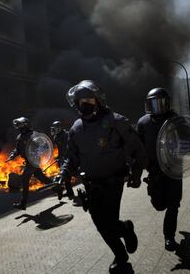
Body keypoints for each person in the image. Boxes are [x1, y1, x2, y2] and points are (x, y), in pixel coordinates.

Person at [55, 80, 148, 273]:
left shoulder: (116, 121)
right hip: (91, 185)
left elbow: (137, 149)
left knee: (109, 224)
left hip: (113, 182)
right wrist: (62, 174)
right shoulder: (76, 128)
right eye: (80, 101)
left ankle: (124, 235)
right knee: (101, 226)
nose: (85, 104)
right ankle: (122, 249)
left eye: (89, 99)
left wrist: (137, 174)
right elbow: (70, 157)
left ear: (98, 100)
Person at [137, 88, 182, 252]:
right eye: (153, 104)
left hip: (173, 167)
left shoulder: (175, 119)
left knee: (173, 204)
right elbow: (138, 147)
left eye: (161, 103)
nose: (157, 107)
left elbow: (185, 140)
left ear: (167, 103)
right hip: (154, 170)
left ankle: (169, 237)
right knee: (159, 205)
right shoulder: (143, 123)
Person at [8, 117, 53, 210]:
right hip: (29, 161)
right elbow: (18, 149)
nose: (18, 127)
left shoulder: (34, 135)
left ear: (25, 125)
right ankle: (58, 187)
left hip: (34, 161)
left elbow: (43, 146)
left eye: (20, 125)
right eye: (18, 126)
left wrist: (36, 153)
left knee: (25, 180)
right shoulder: (19, 137)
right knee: (42, 178)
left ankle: (23, 203)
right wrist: (12, 155)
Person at [50, 121, 74, 198]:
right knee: (66, 176)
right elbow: (60, 149)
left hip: (68, 157)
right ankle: (69, 192)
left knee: (67, 175)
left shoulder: (66, 135)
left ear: (59, 128)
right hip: (62, 158)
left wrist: (64, 157)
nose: (53, 130)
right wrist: (58, 157)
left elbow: (67, 148)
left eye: (55, 129)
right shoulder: (56, 137)